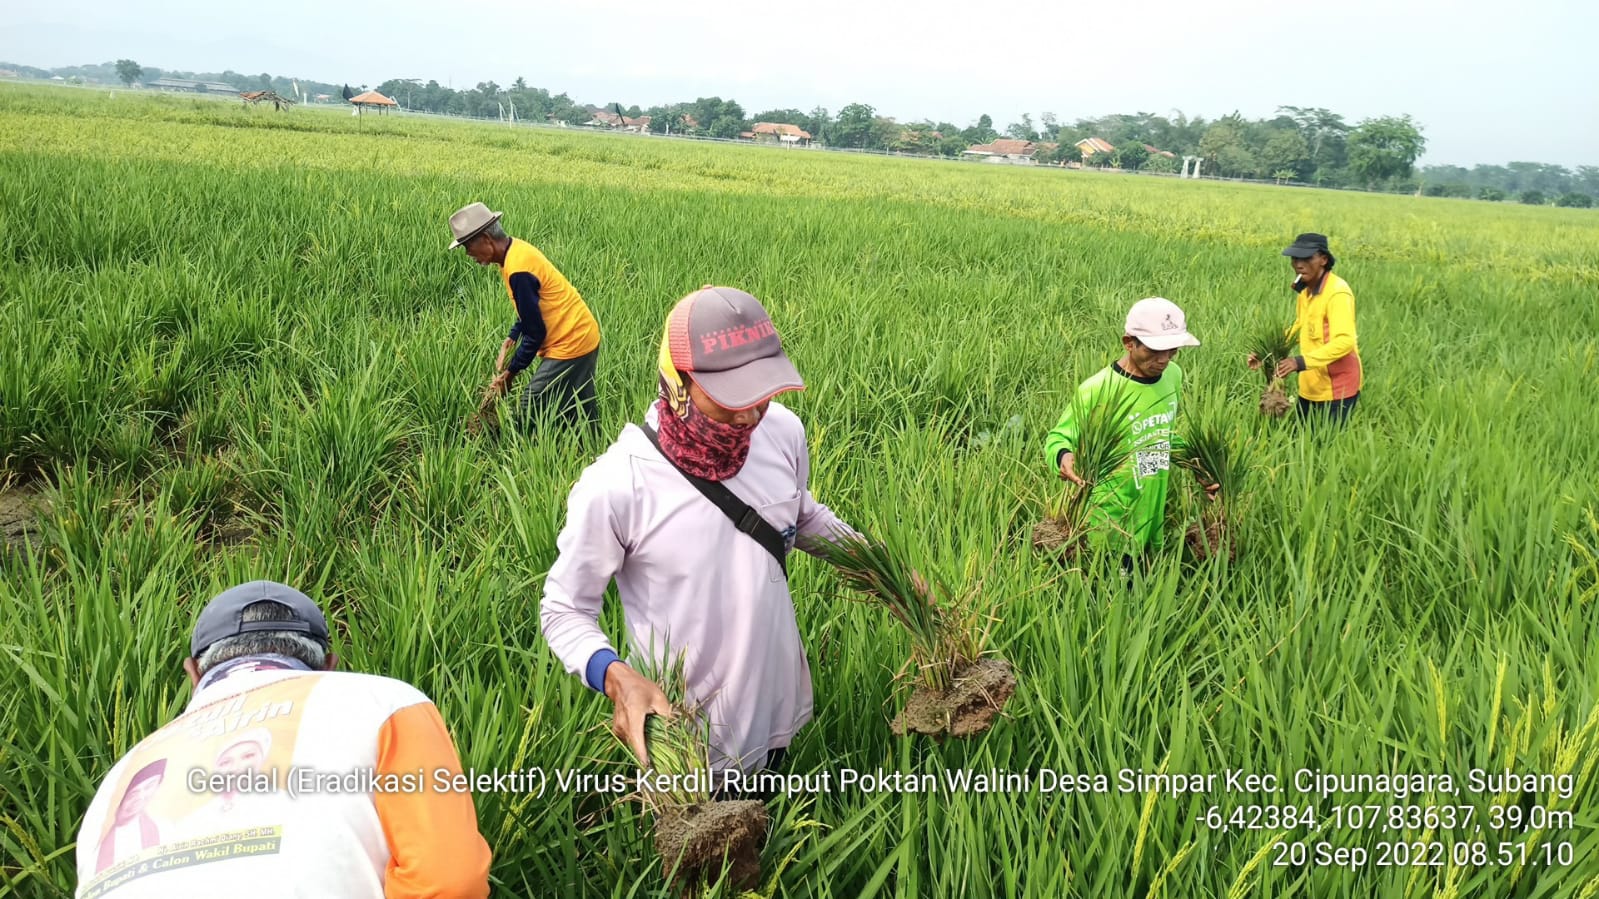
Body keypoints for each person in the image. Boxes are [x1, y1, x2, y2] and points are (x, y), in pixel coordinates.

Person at [540, 285, 858, 779]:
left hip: (778, 705)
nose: (751, 413)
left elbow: (801, 514)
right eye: (732, 396)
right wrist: (616, 678)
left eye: (762, 391)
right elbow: (564, 610)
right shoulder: (618, 484)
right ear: (678, 384)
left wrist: (880, 567)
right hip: (686, 739)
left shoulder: (784, 432)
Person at [74, 581, 491, 898]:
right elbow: (449, 880)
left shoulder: (123, 772)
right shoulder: (386, 702)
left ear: (194, 674)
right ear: (328, 666)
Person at [1044, 297, 1210, 565]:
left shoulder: (1173, 376)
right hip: (1110, 514)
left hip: (1152, 504)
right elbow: (1058, 437)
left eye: (1172, 350)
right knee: (1109, 586)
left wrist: (1197, 464)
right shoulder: (1098, 389)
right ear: (1129, 343)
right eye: (1155, 351)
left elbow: (1162, 434)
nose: (1164, 360)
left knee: (1145, 578)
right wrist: (1064, 457)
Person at [449, 201, 602, 432]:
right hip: (582, 332)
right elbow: (530, 309)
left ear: (486, 240)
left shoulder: (518, 268)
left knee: (532, 402)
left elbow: (535, 332)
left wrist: (509, 376)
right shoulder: (514, 252)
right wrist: (512, 337)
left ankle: (517, 450)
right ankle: (592, 445)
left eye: (467, 246)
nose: (468, 254)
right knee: (577, 406)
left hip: (571, 342)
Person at [1257, 232, 1362, 423]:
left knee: (1326, 446)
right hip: (1310, 385)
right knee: (1302, 440)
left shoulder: (1338, 292)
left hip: (1337, 388)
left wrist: (1299, 362)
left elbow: (1345, 341)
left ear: (1323, 259)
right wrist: (1265, 352)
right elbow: (1300, 326)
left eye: (1306, 258)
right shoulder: (1305, 289)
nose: (1299, 263)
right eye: (1295, 258)